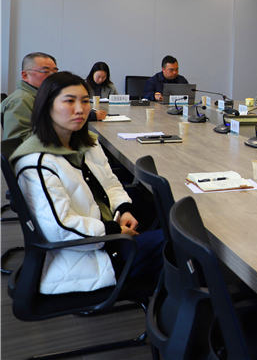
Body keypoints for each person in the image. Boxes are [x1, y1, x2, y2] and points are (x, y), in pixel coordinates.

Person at [10, 72, 164, 294]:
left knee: (160, 210)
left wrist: (124, 209)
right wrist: (114, 230)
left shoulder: (86, 143)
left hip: (103, 233)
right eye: (69, 101)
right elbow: (60, 228)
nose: (80, 109)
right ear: (47, 106)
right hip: (85, 256)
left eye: (84, 101)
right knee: (176, 245)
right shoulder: (36, 162)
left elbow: (110, 184)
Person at [2, 52, 59, 143]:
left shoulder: (46, 97)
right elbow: (16, 142)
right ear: (25, 75)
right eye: (45, 71)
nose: (53, 76)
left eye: (55, 72)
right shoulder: (21, 100)